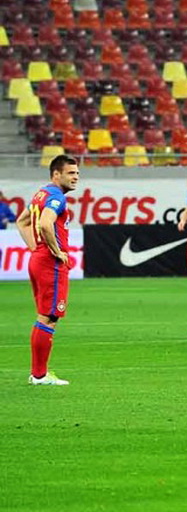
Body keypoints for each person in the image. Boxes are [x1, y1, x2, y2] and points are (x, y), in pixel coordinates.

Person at [15, 155, 80, 385]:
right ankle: (39, 375)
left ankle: (39, 373)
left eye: (77, 173)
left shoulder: (41, 193)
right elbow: (44, 223)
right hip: (50, 264)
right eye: (71, 173)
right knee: (49, 317)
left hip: (39, 259)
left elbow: (22, 221)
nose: (76, 177)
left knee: (45, 316)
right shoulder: (55, 197)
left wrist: (35, 247)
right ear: (56, 174)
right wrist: (56, 251)